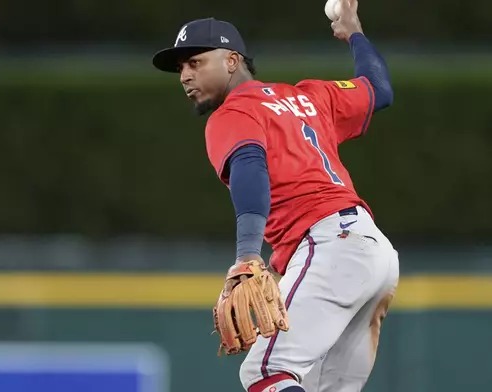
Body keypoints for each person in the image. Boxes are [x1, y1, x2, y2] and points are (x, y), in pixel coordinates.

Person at [151, 1, 399, 391]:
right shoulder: (310, 97)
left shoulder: (234, 113)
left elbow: (250, 167)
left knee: (265, 374)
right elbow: (378, 90)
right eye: (181, 68)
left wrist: (248, 256)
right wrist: (355, 33)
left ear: (232, 61)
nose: (184, 75)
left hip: (329, 246)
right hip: (373, 253)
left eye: (195, 62)